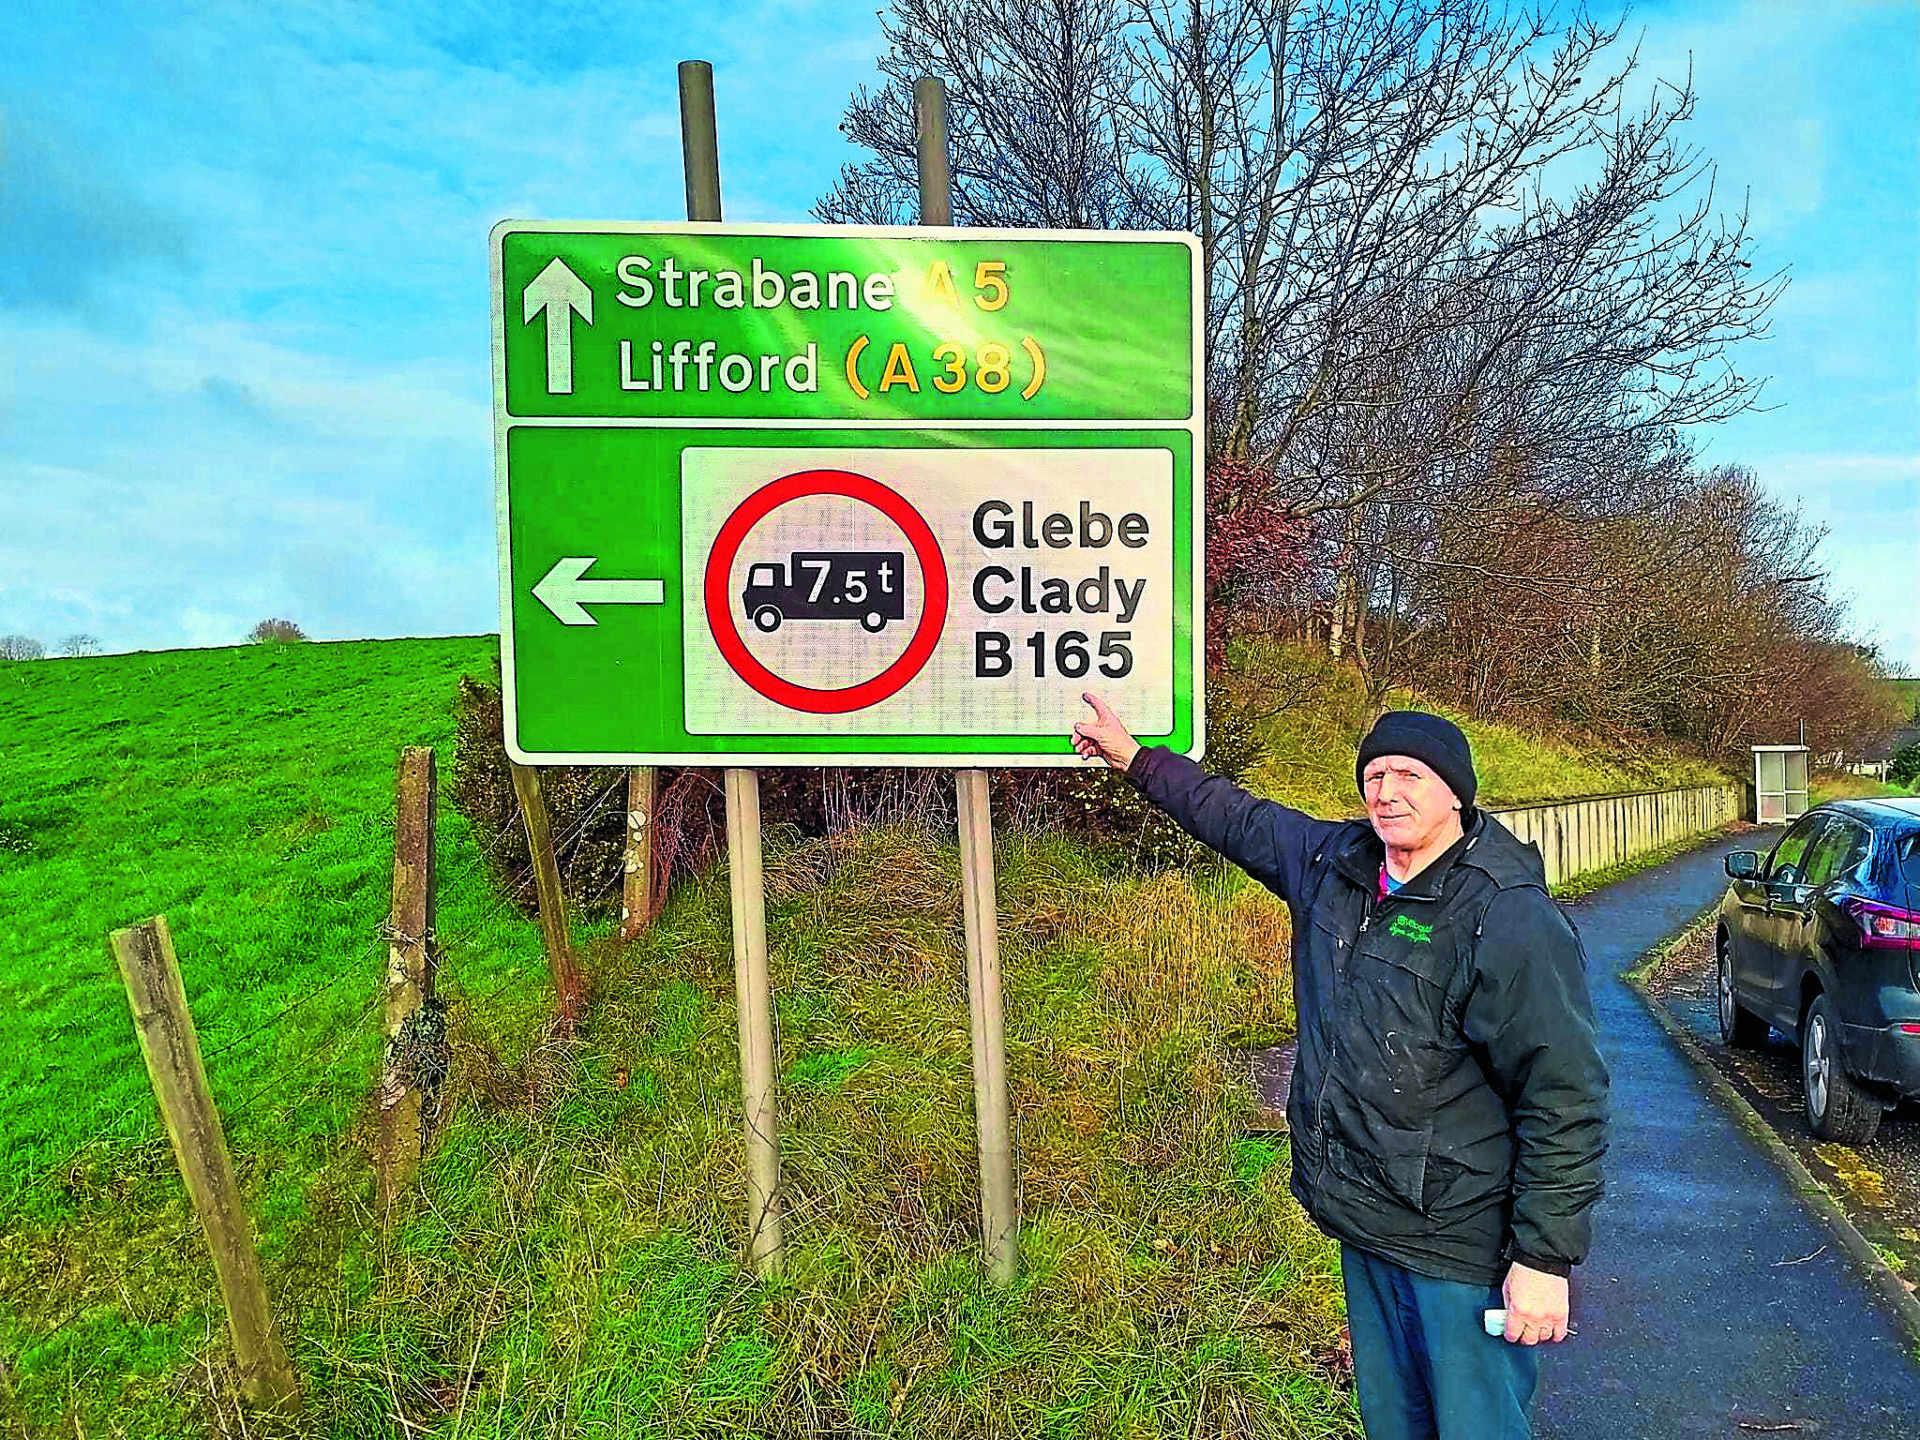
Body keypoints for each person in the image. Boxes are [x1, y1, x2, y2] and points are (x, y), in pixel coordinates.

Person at [1071, 695, 1608, 1440]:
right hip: (1366, 1220)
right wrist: (1135, 759)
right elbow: (1234, 816)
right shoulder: (1335, 865)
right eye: (1376, 774)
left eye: (1411, 776)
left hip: (1460, 1242)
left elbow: (1565, 1094)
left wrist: (1545, 1258)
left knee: (1476, 1427)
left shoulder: (1504, 914)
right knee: (1394, 1424)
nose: (1388, 792)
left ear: (1456, 792)